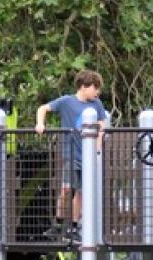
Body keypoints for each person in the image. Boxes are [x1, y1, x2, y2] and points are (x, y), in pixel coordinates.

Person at [35, 69, 108, 240]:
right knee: (66, 189)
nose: (97, 92)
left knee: (81, 192)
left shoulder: (96, 104)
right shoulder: (67, 101)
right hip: (72, 154)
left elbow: (101, 126)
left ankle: (74, 227)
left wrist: (97, 149)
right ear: (83, 86)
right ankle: (58, 224)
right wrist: (40, 124)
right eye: (95, 87)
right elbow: (43, 108)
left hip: (88, 157)